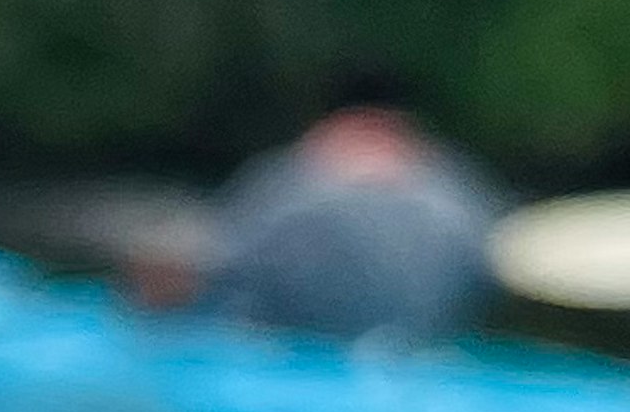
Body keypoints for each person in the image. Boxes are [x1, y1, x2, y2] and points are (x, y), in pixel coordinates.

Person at [188, 98, 499, 347]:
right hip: (414, 356)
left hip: (282, 353)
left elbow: (217, 263)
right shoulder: (457, 194)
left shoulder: (287, 181)